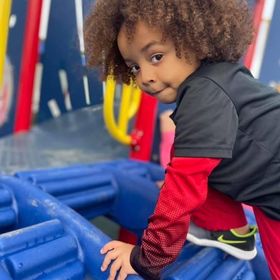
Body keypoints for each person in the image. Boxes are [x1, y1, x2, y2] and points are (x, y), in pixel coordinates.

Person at [84, 1, 280, 279]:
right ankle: (231, 230)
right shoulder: (223, 79)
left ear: (192, 39)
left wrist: (146, 259)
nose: (146, 78)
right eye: (135, 67)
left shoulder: (202, 99)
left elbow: (182, 190)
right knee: (189, 153)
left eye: (155, 57)